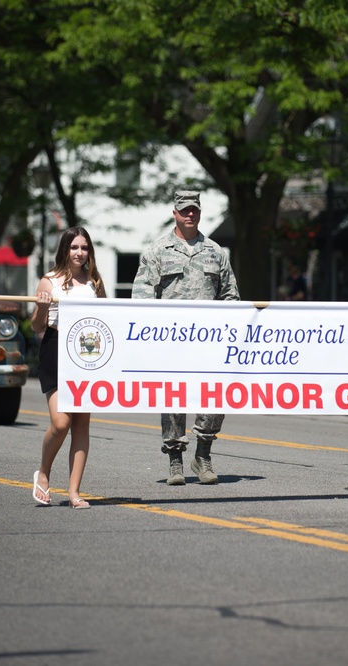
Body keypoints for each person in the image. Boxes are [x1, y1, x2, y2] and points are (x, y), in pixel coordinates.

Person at [131, 190, 240, 485]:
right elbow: (141, 299)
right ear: (175, 213)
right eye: (184, 210)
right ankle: (175, 461)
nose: (190, 214)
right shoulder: (157, 252)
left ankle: (202, 456)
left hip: (210, 343)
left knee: (214, 398)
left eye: (194, 210)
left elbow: (230, 297)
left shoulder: (216, 252)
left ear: (200, 213)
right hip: (171, 343)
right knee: (173, 400)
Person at [30, 227, 107, 508]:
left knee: (81, 424)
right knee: (61, 422)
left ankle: (74, 492)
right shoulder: (49, 281)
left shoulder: (95, 283)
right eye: (74, 247)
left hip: (87, 354)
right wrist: (40, 307)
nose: (79, 253)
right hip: (55, 349)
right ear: (64, 250)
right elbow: (36, 326)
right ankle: (44, 473)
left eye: (84, 247)